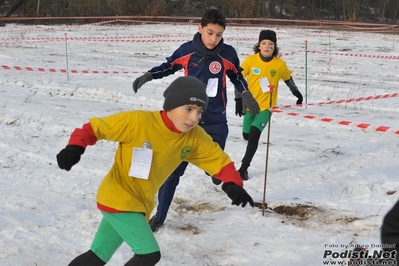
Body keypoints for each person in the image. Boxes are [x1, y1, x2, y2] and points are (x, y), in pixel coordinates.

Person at [56, 76, 254, 266]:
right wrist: (75, 147)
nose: (194, 118)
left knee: (97, 256)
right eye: (188, 109)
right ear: (171, 105)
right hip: (119, 198)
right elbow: (94, 128)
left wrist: (232, 184)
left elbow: (220, 162)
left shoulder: (194, 137)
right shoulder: (138, 122)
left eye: (199, 111)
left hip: (138, 204)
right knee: (148, 255)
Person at [132, 9, 259, 232]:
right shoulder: (187, 51)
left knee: (215, 169)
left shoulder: (227, 54)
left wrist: (244, 93)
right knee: (172, 173)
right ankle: (160, 217)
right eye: (210, 32)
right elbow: (169, 66)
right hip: (187, 123)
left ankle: (211, 171)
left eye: (219, 34)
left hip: (216, 122)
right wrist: (149, 75)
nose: (213, 39)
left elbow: (237, 76)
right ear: (200, 28)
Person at [235, 29, 303, 180]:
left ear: (275, 47)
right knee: (246, 135)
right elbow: (237, 78)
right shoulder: (250, 61)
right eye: (264, 43)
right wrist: (238, 99)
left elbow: (287, 78)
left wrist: (296, 92)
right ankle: (248, 151)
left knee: (253, 136)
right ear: (259, 45)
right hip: (250, 106)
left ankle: (243, 168)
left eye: (270, 44)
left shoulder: (279, 64)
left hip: (266, 108)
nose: (267, 46)